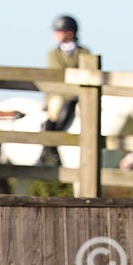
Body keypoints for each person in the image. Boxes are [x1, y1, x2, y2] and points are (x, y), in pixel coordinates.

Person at [38, 15, 90, 165]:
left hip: (81, 94)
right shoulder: (53, 54)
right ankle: (48, 151)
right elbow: (58, 75)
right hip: (59, 93)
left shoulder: (84, 52)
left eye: (59, 31)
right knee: (56, 112)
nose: (56, 35)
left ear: (70, 33)